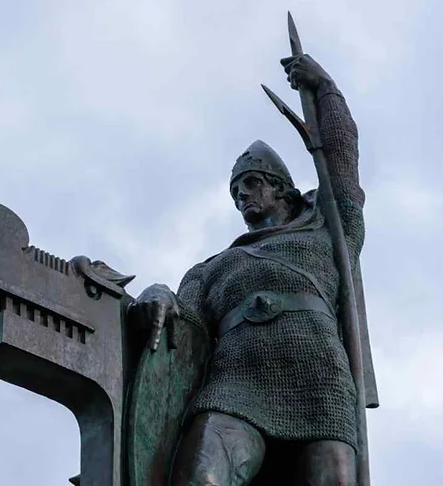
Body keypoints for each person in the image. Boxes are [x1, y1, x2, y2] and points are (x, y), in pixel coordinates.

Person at [128, 54, 364, 486]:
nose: (241, 196)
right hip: (237, 384)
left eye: (251, 183)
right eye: (236, 191)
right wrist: (156, 292)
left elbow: (342, 159)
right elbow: (185, 328)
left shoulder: (329, 233)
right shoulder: (214, 267)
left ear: (281, 187)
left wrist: (325, 89)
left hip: (320, 383)